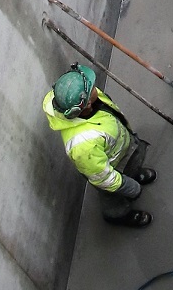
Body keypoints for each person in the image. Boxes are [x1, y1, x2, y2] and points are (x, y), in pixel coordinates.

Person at [43, 64, 157, 229]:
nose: (95, 86)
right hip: (111, 168)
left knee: (132, 164)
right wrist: (129, 187)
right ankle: (119, 215)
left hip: (121, 146)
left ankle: (134, 174)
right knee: (112, 196)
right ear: (86, 104)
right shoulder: (82, 146)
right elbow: (103, 178)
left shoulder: (88, 98)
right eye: (92, 88)